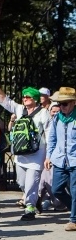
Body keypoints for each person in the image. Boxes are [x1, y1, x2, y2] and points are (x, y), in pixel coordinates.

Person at [0, 75, 49, 220]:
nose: (24, 99)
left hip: (37, 154)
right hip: (20, 154)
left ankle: (30, 208)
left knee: (31, 182)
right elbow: (6, 101)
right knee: (21, 182)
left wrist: (49, 156)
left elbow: (49, 135)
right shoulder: (20, 110)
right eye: (24, 97)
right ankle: (35, 200)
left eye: (28, 97)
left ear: (35, 99)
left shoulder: (44, 113)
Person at [45, 87, 76, 231]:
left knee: (75, 190)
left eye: (65, 104)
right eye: (59, 104)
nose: (61, 107)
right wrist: (48, 156)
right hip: (59, 160)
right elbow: (51, 139)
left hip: (74, 160)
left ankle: (73, 219)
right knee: (57, 190)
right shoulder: (57, 118)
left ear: (73, 102)